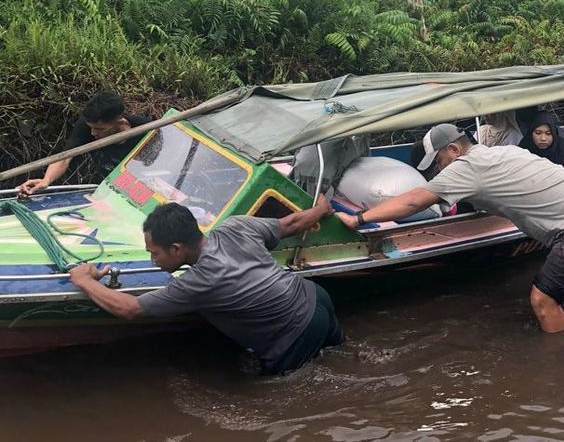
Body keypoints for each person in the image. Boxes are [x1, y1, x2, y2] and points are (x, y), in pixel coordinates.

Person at [338, 123, 564, 333]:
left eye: (437, 163)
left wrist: (359, 219)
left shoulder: (465, 167)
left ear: (454, 150)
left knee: (543, 300)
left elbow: (413, 200)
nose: (438, 171)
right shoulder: (500, 152)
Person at [69, 199, 343, 375]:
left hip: (294, 332)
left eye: (154, 253)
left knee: (280, 393)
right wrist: (321, 208)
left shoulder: (197, 283)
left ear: (177, 249)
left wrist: (83, 280)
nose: (152, 261)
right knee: (341, 356)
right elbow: (291, 223)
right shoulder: (235, 226)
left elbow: (130, 309)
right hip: (315, 297)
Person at [17, 91, 151, 196]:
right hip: (108, 189)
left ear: (120, 122)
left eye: (100, 129)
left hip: (141, 190)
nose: (93, 133)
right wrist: (46, 180)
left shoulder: (146, 128)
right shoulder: (87, 126)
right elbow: (65, 157)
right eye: (91, 127)